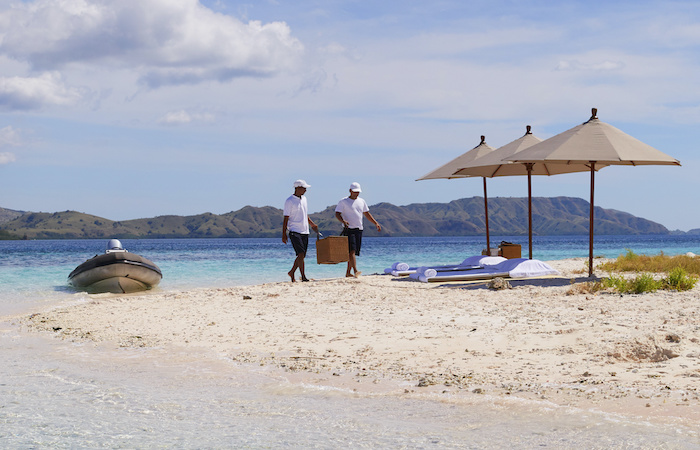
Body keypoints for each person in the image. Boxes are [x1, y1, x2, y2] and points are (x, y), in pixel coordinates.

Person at [335, 182, 381, 278]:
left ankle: (348, 272)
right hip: (348, 228)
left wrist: (375, 223)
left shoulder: (362, 201)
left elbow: (367, 214)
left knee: (354, 252)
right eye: (355, 192)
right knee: (352, 250)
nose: (356, 193)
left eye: (358, 192)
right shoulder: (343, 201)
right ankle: (355, 271)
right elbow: (337, 213)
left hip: (359, 228)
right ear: (350, 191)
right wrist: (343, 221)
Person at [282, 179, 318, 282]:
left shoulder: (304, 199)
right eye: (304, 188)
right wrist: (284, 234)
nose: (305, 190)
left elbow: (305, 214)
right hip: (294, 230)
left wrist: (312, 224)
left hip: (305, 230)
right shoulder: (289, 201)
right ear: (297, 188)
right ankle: (294, 272)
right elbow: (286, 218)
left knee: (302, 255)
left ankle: (301, 276)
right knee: (301, 253)